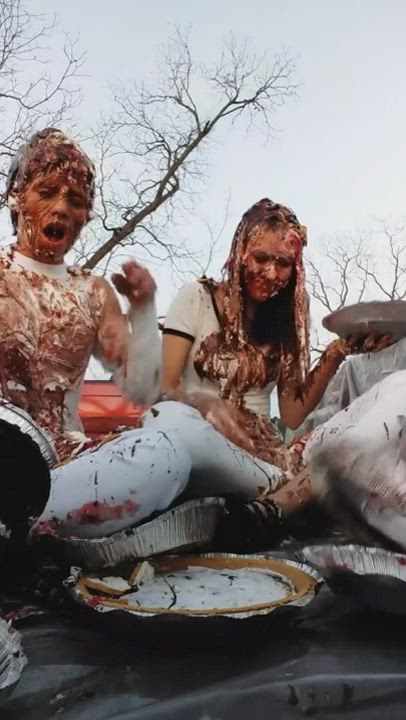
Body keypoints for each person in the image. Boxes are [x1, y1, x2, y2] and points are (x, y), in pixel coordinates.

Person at [154, 198, 391, 531]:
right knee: (169, 421)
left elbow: (292, 413)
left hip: (264, 458)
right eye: (261, 257)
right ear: (239, 253)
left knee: (388, 401)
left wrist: (338, 351)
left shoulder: (287, 319)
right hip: (198, 443)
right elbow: (166, 390)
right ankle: (279, 504)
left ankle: (266, 511)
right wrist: (203, 403)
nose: (270, 273)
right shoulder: (197, 297)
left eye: (283, 263)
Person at [0, 128, 190, 541]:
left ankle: (28, 534)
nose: (61, 208)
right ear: (16, 196)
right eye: (46, 191)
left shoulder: (93, 291)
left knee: (168, 451)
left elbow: (141, 387)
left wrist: (143, 308)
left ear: (87, 214)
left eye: (76, 200)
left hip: (67, 469)